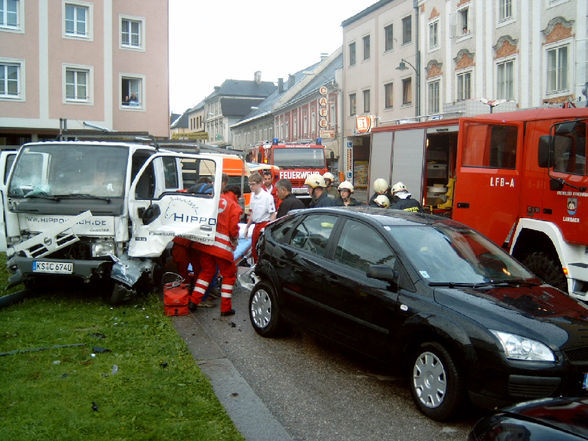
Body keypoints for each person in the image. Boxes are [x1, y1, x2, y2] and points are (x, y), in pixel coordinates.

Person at [190, 189, 241, 316]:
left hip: (206, 244)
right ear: (237, 196)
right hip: (221, 248)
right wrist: (235, 239)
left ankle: (194, 301)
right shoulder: (234, 206)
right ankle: (225, 308)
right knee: (229, 276)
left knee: (206, 272)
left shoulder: (212, 200)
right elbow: (233, 229)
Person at [245, 172, 276, 263]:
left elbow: (272, 214)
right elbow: (252, 212)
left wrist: (269, 229)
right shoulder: (252, 195)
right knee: (254, 250)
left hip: (264, 225)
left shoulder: (267, 197)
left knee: (262, 251)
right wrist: (247, 226)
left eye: (253, 185)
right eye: (250, 185)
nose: (251, 187)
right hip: (256, 225)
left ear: (259, 184)